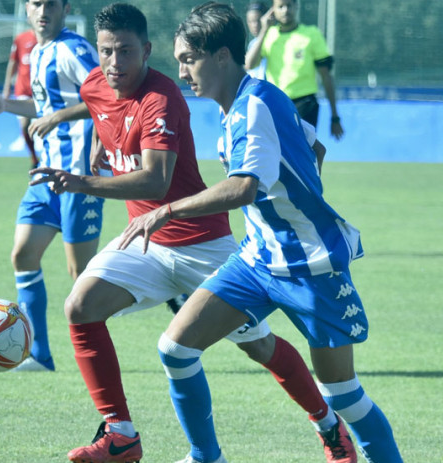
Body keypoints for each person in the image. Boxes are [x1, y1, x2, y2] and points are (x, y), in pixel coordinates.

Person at [29, 3, 354, 462]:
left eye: (125, 51)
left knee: (259, 345)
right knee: (80, 307)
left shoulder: (163, 98)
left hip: (202, 244)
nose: (114, 63)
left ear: (147, 50)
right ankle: (121, 435)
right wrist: (103, 142)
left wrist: (82, 181)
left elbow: (155, 181)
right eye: (106, 52)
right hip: (145, 243)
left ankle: (328, 425)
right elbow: (101, 105)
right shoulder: (97, 84)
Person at [119, 2, 404, 462]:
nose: (181, 71)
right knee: (175, 347)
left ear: (222, 56)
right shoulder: (248, 102)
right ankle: (205, 457)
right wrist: (299, 193)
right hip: (257, 260)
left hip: (311, 265)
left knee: (343, 395)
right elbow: (314, 146)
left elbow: (244, 187)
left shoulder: (254, 105)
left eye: (188, 59)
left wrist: (167, 211)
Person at [0, 0, 103, 372]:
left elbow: (105, 95)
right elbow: (44, 104)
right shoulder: (37, 51)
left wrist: (89, 138)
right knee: (23, 254)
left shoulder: (73, 49)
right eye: (36, 3)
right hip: (44, 176)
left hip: (77, 177)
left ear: (66, 8)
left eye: (51, 3)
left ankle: (98, 350)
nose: (42, 9)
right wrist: (7, 105)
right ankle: (39, 355)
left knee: (81, 278)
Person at [245, 0, 344, 140]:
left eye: (289, 5)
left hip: (305, 105)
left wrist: (335, 116)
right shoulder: (268, 36)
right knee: (278, 153)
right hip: (276, 103)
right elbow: (249, 64)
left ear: (296, 7)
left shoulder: (311, 34)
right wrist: (263, 30)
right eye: (280, 6)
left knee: (302, 153)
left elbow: (326, 76)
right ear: (273, 10)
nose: (285, 10)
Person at [3, 28, 40, 168]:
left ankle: (48, 157)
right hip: (23, 90)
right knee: (24, 126)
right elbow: (13, 63)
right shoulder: (20, 39)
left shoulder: (48, 39)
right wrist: (7, 86)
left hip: (41, 91)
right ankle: (34, 158)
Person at [244, 2, 268, 79]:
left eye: (258, 20)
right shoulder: (252, 44)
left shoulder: (273, 39)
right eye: (251, 21)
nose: (255, 25)